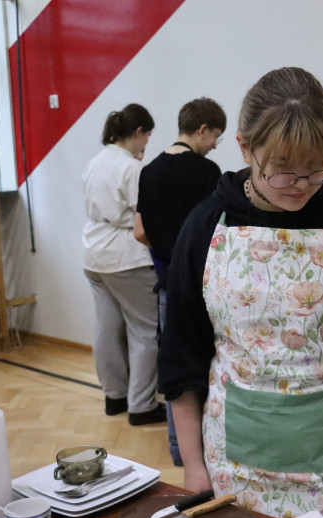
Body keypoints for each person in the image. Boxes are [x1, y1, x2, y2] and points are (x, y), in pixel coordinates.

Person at [159, 67, 323, 518]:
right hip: (232, 469)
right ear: (244, 149)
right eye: (282, 168)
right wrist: (193, 467)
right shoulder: (205, 227)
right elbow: (182, 359)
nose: (301, 183)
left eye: (316, 166)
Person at [134, 97, 226, 466]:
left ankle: (179, 452)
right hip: (203, 286)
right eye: (215, 136)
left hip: (167, 282)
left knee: (176, 366)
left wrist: (168, 254)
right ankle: (212, 446)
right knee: (211, 364)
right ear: (202, 129)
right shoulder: (207, 172)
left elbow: (139, 231)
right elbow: (220, 233)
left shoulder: (149, 170)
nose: (215, 145)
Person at [81, 103, 165, 426]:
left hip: (93, 254)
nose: (146, 146)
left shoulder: (95, 162)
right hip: (125, 256)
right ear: (139, 132)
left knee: (106, 326)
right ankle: (142, 405)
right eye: (147, 138)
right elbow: (143, 216)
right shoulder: (132, 169)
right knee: (145, 329)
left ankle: (114, 396)